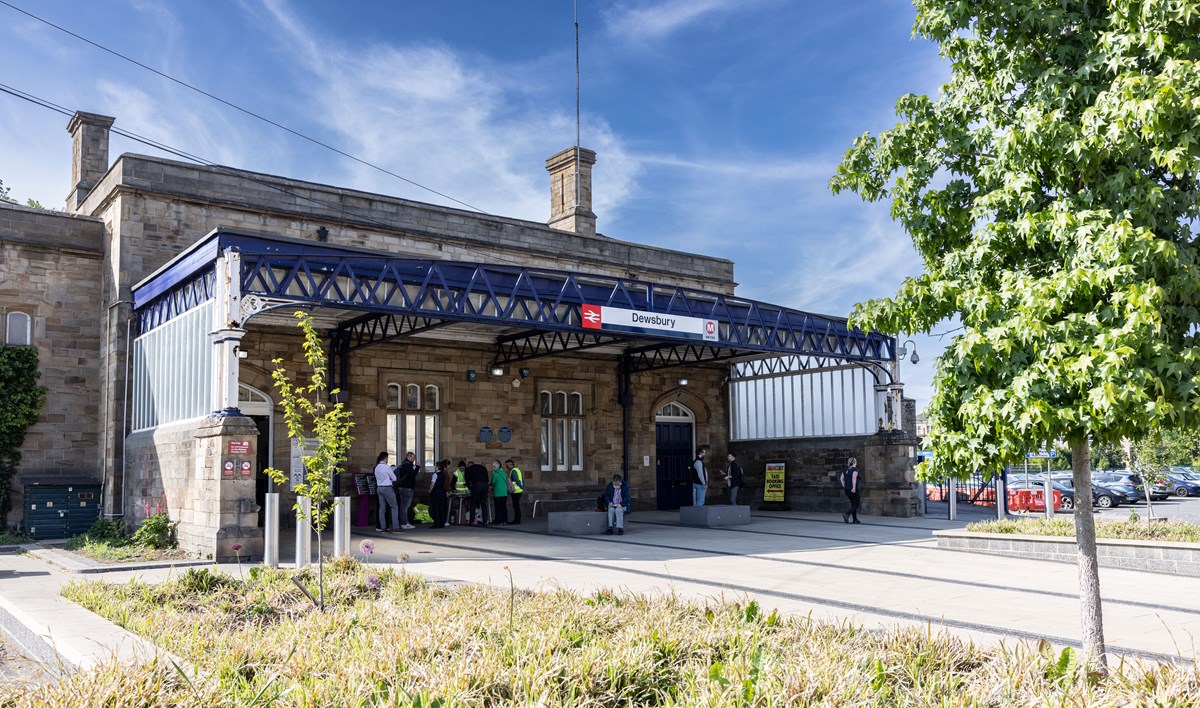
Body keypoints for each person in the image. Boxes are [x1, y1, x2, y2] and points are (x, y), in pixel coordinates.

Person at [373, 451, 399, 532]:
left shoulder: (376, 467)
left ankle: (383, 527)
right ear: (386, 458)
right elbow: (394, 478)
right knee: (394, 507)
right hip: (387, 488)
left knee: (382, 508)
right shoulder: (386, 467)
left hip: (379, 488)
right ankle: (396, 527)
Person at [395, 451, 419, 530]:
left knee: (404, 506)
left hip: (404, 488)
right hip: (406, 488)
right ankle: (404, 523)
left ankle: (404, 522)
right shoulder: (407, 465)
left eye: (414, 457)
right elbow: (413, 474)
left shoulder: (404, 464)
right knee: (405, 506)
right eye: (413, 457)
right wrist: (418, 467)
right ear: (408, 457)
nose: (414, 459)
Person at [465, 460, 491, 525]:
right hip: (485, 485)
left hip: (476, 485)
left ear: (468, 465)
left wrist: (470, 488)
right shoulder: (482, 467)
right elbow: (487, 479)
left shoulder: (468, 469)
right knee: (483, 503)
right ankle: (485, 521)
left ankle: (472, 521)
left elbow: (467, 480)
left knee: (473, 503)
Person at [428, 459, 449, 529]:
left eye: (435, 466)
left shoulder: (435, 474)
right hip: (442, 492)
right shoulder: (443, 474)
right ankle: (442, 523)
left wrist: (430, 490)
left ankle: (436, 523)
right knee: (441, 508)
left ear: (438, 467)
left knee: (435, 508)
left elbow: (432, 484)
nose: (434, 467)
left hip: (436, 492)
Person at [505, 459, 525, 525]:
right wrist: (522, 487)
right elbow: (522, 480)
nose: (506, 467)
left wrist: (521, 487)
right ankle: (517, 519)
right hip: (518, 491)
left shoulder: (513, 471)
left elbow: (517, 480)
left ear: (511, 465)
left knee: (516, 506)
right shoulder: (517, 470)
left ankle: (517, 520)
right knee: (516, 506)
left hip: (516, 491)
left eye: (507, 465)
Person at [842, 456, 861, 524]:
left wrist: (844, 486)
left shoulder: (845, 470)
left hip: (847, 489)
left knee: (853, 504)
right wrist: (853, 487)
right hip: (853, 490)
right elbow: (854, 478)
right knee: (856, 504)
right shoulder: (855, 470)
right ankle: (847, 514)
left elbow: (841, 479)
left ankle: (855, 519)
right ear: (855, 462)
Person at [490, 459, 509, 525]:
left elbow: (493, 482)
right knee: (503, 507)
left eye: (492, 466)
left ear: (495, 467)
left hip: (498, 492)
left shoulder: (495, 473)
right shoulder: (503, 472)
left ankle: (499, 521)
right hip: (505, 492)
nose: (492, 467)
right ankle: (505, 520)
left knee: (498, 507)